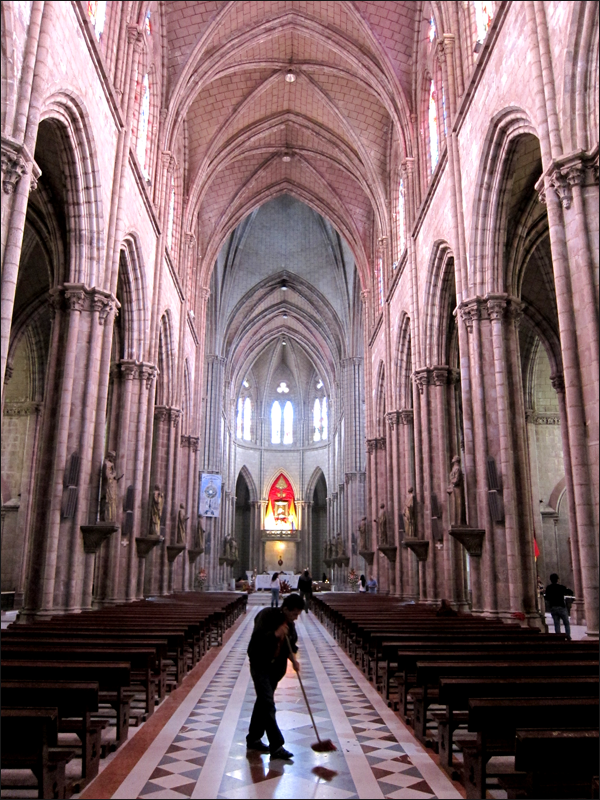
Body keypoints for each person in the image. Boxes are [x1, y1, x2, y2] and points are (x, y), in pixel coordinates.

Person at [246, 593, 304, 759]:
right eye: (294, 614)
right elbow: (257, 638)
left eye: (298, 614)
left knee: (263, 702)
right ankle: (277, 745)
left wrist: (293, 660)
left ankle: (254, 739)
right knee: (268, 704)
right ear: (285, 608)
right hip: (260, 664)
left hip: (276, 668)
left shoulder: (290, 625)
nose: (296, 618)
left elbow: (290, 645)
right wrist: (275, 634)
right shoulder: (266, 615)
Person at [544, 573, 574, 640]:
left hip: (553, 607)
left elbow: (547, 598)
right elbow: (570, 592)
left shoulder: (548, 588)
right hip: (561, 607)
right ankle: (568, 636)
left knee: (556, 623)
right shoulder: (561, 587)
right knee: (566, 623)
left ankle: (559, 637)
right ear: (557, 579)